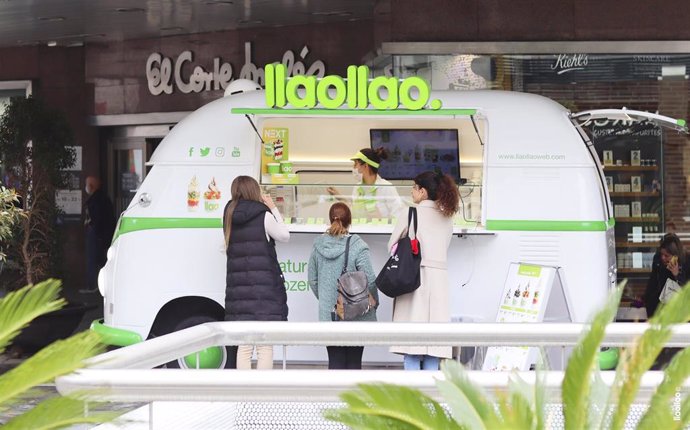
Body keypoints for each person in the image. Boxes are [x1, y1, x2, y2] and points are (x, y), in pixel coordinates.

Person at [388, 171, 459, 370]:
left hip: (414, 279)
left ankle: (413, 396)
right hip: (438, 281)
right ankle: (430, 396)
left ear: (423, 191)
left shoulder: (410, 213)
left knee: (412, 347)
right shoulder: (447, 218)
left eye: (414, 187)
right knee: (433, 349)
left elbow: (392, 246)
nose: (412, 192)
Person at [223, 175, 290, 370]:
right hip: (264, 291)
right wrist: (274, 207)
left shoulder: (229, 214)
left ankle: (244, 393)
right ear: (254, 191)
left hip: (238, 291)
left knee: (244, 346)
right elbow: (284, 235)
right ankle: (262, 392)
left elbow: (224, 247)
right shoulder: (264, 215)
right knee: (264, 345)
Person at [308, 202, 379, 369]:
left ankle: (334, 395)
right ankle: (350, 396)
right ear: (350, 221)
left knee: (335, 361)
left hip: (330, 314)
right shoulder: (357, 246)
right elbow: (370, 278)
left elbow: (312, 279)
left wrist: (326, 299)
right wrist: (373, 301)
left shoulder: (318, 245)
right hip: (356, 314)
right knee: (354, 362)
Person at [643, 233, 690, 369]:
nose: (663, 258)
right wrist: (646, 299)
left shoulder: (686, 262)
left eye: (667, 256)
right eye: (662, 254)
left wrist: (677, 275)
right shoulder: (658, 260)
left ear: (675, 255)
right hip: (660, 306)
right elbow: (653, 282)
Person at [327, 148, 403, 220]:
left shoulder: (386, 187)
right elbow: (354, 210)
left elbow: (399, 216)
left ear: (365, 166)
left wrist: (382, 220)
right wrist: (340, 197)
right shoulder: (357, 187)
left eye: (356, 164)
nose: (353, 167)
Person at [82, 176, 116, 294]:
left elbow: (96, 218)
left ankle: (92, 285)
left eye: (87, 184)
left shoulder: (96, 200)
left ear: (91, 186)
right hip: (103, 234)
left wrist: (93, 228)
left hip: (97, 233)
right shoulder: (103, 198)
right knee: (101, 259)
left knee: (92, 259)